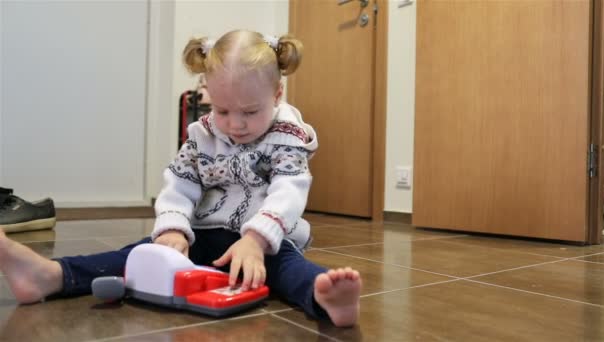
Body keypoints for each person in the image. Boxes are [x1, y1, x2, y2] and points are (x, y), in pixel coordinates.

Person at [0, 30, 361, 327]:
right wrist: (172, 230)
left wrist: (255, 239)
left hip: (262, 243)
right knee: (140, 254)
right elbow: (180, 183)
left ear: (277, 94)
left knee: (286, 268)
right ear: (207, 94)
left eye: (250, 112)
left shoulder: (286, 136)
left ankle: (324, 298)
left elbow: (289, 189)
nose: (235, 124)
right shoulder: (203, 135)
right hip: (202, 235)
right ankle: (51, 276)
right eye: (222, 110)